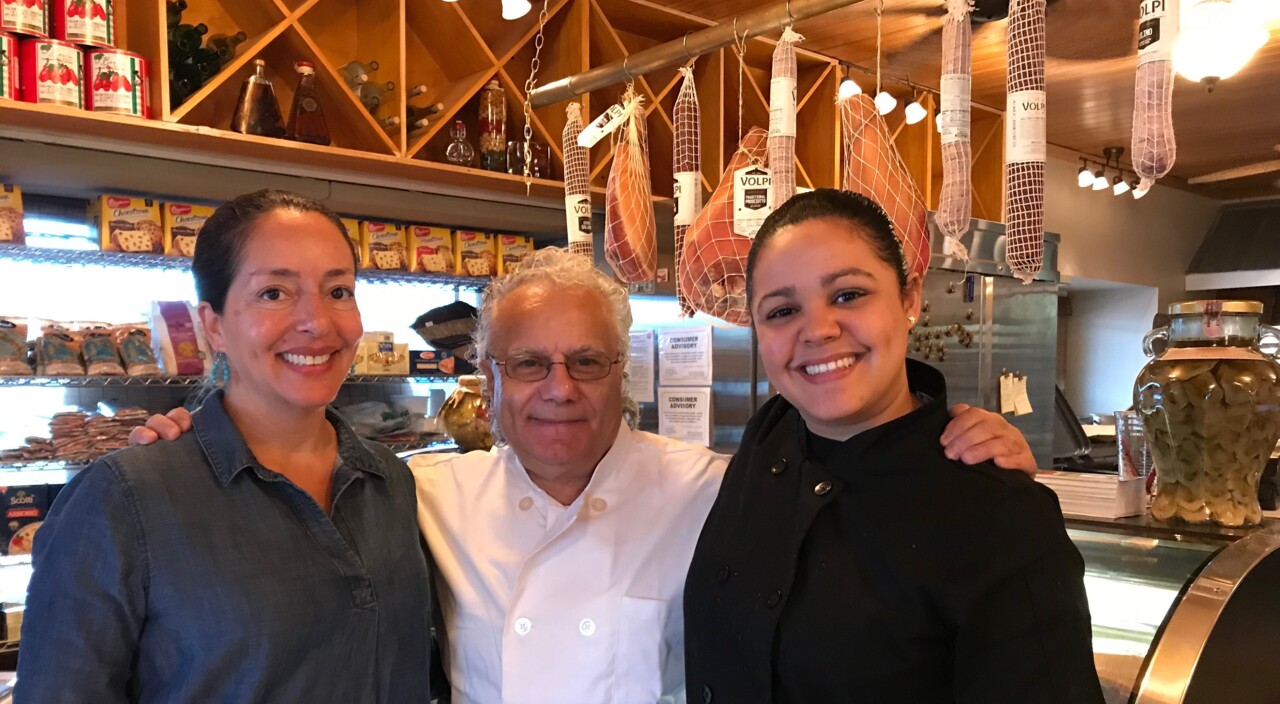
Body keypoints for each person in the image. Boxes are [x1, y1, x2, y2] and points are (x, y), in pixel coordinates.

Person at [132, 248, 1038, 701]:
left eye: (587, 363)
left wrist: (954, 445)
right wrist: (195, 443)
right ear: (487, 383)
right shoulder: (426, 494)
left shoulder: (719, 489)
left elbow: (856, 489)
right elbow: (287, 486)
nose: (558, 392)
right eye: (527, 366)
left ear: (623, 373)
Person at [683, 189, 1105, 703]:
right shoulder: (766, 437)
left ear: (909, 299)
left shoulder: (998, 513)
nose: (817, 330)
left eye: (848, 295)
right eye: (782, 310)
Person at [18, 190, 434, 703]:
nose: (318, 322)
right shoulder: (124, 500)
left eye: (339, 291)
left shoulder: (391, 481)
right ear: (214, 325)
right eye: (274, 293)